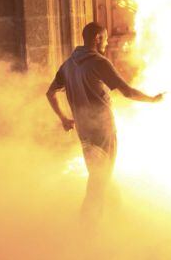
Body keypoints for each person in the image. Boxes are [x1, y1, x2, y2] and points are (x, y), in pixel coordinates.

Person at [46, 22, 163, 222]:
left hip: (84, 131)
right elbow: (127, 91)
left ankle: (115, 216)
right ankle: (87, 226)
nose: (107, 42)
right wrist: (152, 100)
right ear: (98, 38)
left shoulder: (68, 65)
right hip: (103, 131)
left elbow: (50, 93)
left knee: (101, 174)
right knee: (99, 179)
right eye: (105, 38)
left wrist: (64, 119)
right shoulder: (99, 62)